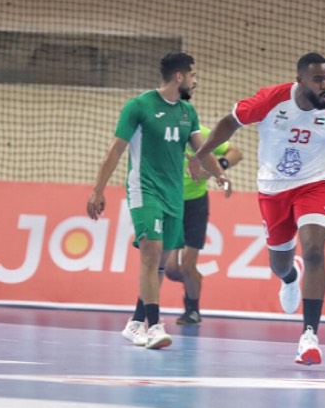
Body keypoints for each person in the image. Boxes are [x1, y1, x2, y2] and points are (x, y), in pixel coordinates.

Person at [194, 52, 325, 366]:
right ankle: (290, 277)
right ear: (300, 81)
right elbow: (230, 123)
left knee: (313, 250)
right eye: (318, 79)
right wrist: (201, 154)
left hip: (315, 186)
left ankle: (309, 336)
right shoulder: (271, 100)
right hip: (273, 190)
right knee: (279, 264)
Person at [87, 52, 230, 350]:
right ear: (179, 76)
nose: (195, 81)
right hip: (145, 189)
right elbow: (115, 150)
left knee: (161, 265)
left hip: (174, 196)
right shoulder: (139, 106)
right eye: (193, 75)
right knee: (151, 256)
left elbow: (201, 149)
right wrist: (98, 190)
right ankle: (154, 326)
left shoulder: (188, 112)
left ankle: (135, 323)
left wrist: (219, 175)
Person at [163, 127, 244, 325]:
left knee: (188, 265)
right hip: (171, 204)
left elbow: (236, 153)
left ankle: (192, 310)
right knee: (171, 269)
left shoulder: (200, 135)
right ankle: (194, 280)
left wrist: (217, 166)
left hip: (196, 205)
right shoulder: (164, 133)